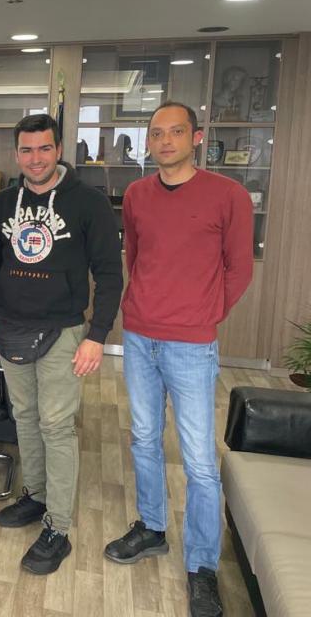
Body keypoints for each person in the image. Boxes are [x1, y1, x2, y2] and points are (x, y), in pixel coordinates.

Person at [104, 101, 253, 617]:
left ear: (196, 137)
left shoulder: (228, 195)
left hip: (192, 343)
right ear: (148, 141)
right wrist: (144, 306)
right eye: (156, 133)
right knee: (144, 438)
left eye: (175, 132)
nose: (165, 142)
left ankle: (202, 566)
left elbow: (239, 268)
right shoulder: (137, 195)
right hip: (139, 336)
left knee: (198, 460)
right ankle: (152, 527)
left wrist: (204, 314)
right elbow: (135, 255)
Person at [0, 114, 123, 575]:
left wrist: (96, 336)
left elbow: (109, 274)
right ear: (16, 153)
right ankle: (37, 495)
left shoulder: (89, 202)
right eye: (26, 150)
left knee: (57, 426)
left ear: (59, 150)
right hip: (9, 327)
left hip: (63, 331)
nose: (35, 158)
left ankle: (58, 528)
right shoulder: (4, 203)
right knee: (24, 417)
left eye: (44, 148)